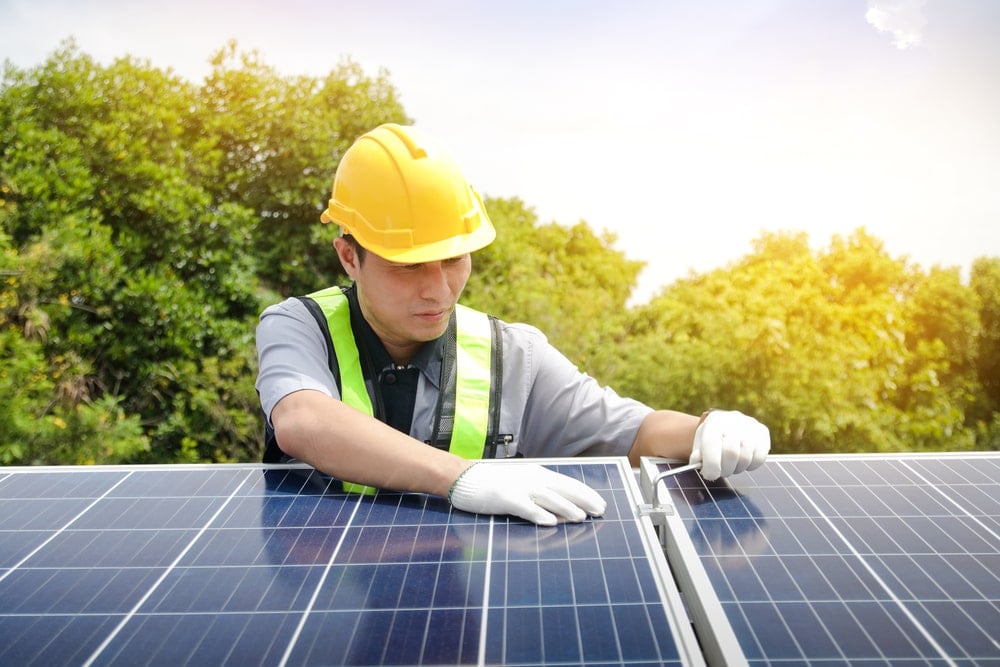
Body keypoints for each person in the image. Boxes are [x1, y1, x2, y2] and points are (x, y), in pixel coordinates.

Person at [255, 123, 770, 526]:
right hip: (320, 616)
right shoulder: (300, 326)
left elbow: (632, 432)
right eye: (408, 266)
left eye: (454, 258)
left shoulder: (512, 354)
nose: (438, 289)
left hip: (462, 604)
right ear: (349, 257)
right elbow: (305, 422)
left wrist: (706, 427)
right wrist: (461, 478)